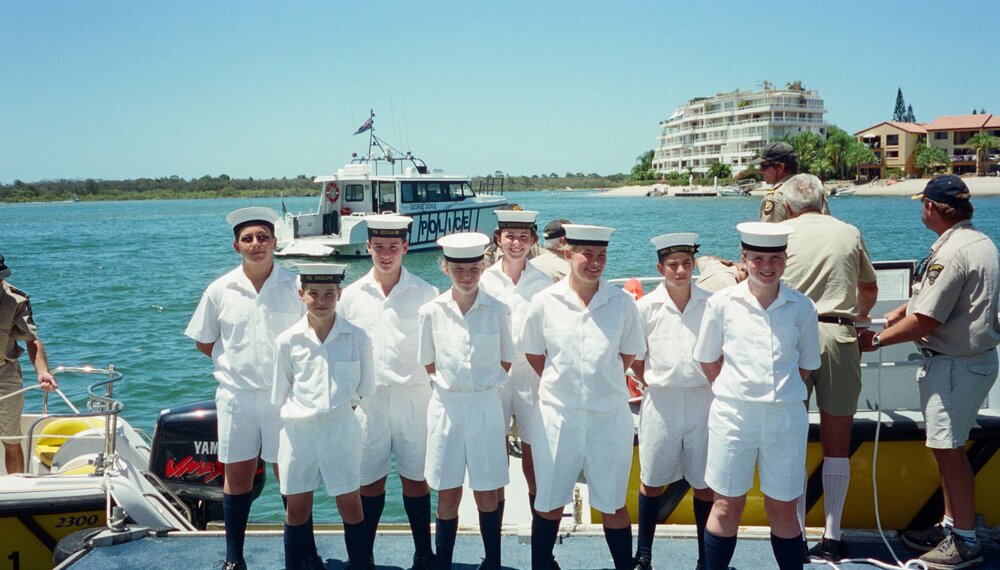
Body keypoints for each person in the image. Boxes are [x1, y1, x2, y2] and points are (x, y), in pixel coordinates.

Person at [859, 175, 999, 570]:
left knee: (949, 453)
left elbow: (927, 321)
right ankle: (953, 527)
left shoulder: (951, 253)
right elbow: (947, 298)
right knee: (948, 449)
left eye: (923, 204)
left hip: (954, 366)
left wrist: (879, 340)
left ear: (932, 209)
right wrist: (904, 308)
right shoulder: (979, 243)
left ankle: (966, 541)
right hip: (973, 362)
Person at [184, 207, 307, 570]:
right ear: (236, 245)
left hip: (284, 398)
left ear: (275, 243)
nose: (257, 245)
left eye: (263, 238)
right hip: (236, 398)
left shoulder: (297, 287)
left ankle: (302, 554)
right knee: (236, 477)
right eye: (248, 239)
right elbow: (204, 342)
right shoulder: (220, 290)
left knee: (291, 476)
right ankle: (234, 559)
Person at [693, 222, 821, 570]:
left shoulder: (801, 307)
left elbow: (807, 365)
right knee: (726, 505)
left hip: (784, 419)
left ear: (786, 259)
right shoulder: (722, 304)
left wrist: (775, 394)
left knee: (782, 507)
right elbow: (707, 359)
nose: (767, 266)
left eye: (775, 258)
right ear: (743, 258)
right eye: (758, 258)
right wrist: (735, 390)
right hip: (733, 417)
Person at [521, 224, 646, 570]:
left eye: (601, 255)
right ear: (567, 253)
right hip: (558, 417)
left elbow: (629, 353)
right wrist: (567, 382)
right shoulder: (545, 302)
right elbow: (534, 353)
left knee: (613, 503)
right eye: (587, 254)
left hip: (608, 418)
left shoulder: (621, 303)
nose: (595, 262)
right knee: (547, 503)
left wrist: (598, 380)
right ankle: (542, 565)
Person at [779, 174, 878, 562]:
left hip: (791, 339)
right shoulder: (848, 232)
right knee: (837, 442)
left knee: (791, 442)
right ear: (823, 199)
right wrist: (861, 319)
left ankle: (795, 535)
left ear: (787, 206)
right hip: (839, 334)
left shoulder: (779, 234)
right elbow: (867, 290)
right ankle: (833, 536)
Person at [339, 214, 439, 570]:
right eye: (378, 247)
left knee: (416, 479)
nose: (385, 254)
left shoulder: (427, 293)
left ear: (405, 248)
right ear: (367, 247)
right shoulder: (349, 298)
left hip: (415, 397)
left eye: (393, 247)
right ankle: (364, 554)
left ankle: (423, 552)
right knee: (369, 482)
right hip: (370, 400)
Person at [417, 232, 514, 570]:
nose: (467, 276)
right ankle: (443, 562)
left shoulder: (498, 310)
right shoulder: (431, 311)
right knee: (447, 493)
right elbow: (428, 361)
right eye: (459, 270)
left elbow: (506, 359)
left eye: (474, 268)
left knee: (487, 492)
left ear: (483, 267)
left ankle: (493, 561)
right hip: (447, 408)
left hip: (486, 406)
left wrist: (481, 386)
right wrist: (454, 386)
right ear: (445, 269)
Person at [272, 263, 374, 570]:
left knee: (351, 505)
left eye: (329, 293)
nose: (321, 300)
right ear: (301, 294)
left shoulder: (357, 337)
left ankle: (360, 565)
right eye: (313, 294)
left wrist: (337, 412)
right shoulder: (287, 341)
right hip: (298, 432)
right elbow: (280, 393)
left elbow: (364, 387)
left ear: (340, 294)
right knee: (297, 509)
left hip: (341, 429)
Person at [631, 233, 714, 570]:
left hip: (703, 399)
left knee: (705, 483)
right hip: (660, 402)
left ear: (693, 265)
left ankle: (705, 557)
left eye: (686, 264)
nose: (680, 271)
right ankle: (644, 555)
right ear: (660, 267)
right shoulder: (645, 308)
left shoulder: (712, 304)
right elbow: (636, 358)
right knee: (651, 479)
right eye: (673, 264)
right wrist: (652, 379)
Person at [479, 209, 555, 531]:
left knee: (533, 457)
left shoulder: (544, 282)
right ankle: (493, 551)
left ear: (533, 241)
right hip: (494, 375)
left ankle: (541, 551)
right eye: (510, 236)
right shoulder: (484, 280)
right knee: (496, 461)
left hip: (531, 374)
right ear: (498, 239)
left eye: (524, 237)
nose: (516, 243)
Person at [0, 254, 58, 474]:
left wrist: (43, 371)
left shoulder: (15, 301)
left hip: (5, 375)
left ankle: (15, 491)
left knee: (12, 440)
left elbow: (32, 339)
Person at [754, 142, 829, 223]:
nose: (760, 171)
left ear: (780, 167)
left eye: (764, 166)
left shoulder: (775, 197)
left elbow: (768, 232)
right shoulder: (816, 190)